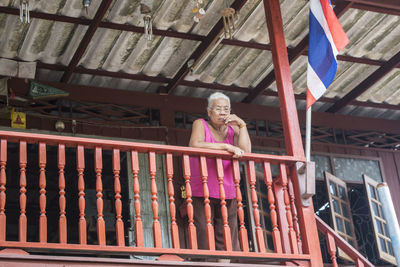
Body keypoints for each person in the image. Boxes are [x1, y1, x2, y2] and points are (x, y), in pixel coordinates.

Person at [188, 92, 251, 251]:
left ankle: (226, 262)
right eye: (218, 109)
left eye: (226, 109)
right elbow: (195, 144)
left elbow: (245, 151)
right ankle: (205, 262)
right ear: (209, 111)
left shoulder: (233, 129)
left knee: (227, 229)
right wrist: (225, 147)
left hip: (227, 186)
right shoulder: (200, 123)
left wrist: (242, 125)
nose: (223, 112)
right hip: (202, 186)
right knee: (202, 228)